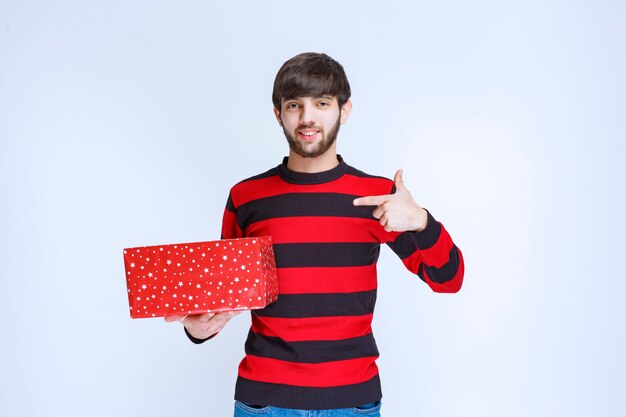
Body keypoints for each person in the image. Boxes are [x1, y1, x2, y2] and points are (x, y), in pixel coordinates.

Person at [165, 52, 464, 417]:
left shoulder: (379, 198)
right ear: (279, 114)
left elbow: (449, 280)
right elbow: (224, 300)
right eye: (295, 105)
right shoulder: (246, 198)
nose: (308, 118)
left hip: (352, 403)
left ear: (344, 109)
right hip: (264, 403)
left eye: (321, 103)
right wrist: (197, 330)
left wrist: (421, 221)